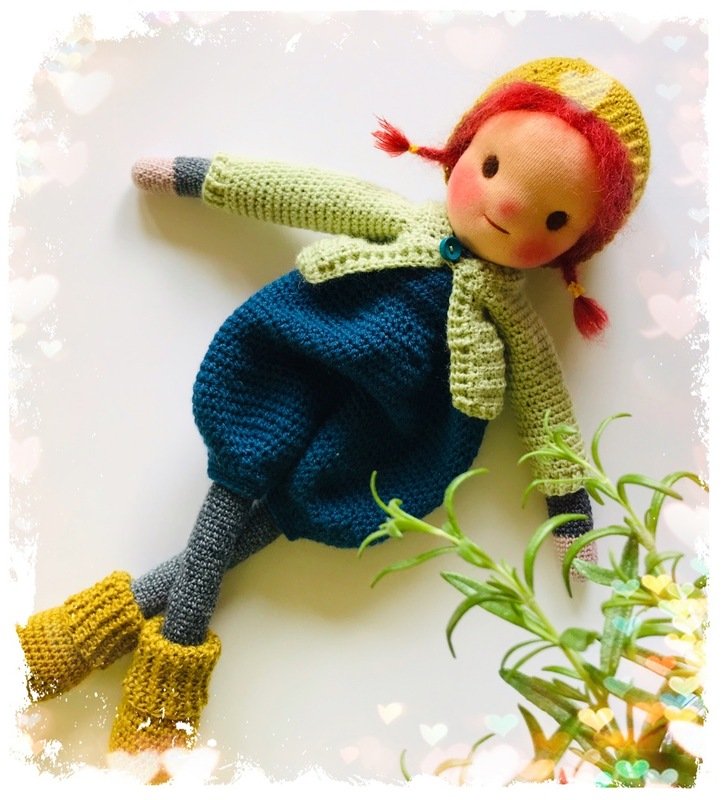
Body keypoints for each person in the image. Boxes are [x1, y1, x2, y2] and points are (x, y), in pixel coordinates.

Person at [17, 56, 650, 769]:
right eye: (494, 167)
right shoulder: (395, 218)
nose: (506, 206)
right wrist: (200, 176)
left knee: (298, 507)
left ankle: (89, 637)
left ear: (574, 246)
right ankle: (159, 685)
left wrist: (569, 507)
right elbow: (304, 194)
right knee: (242, 471)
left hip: (392, 432)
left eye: (554, 218)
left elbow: (546, 409)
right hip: (303, 349)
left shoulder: (516, 321)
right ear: (464, 147)